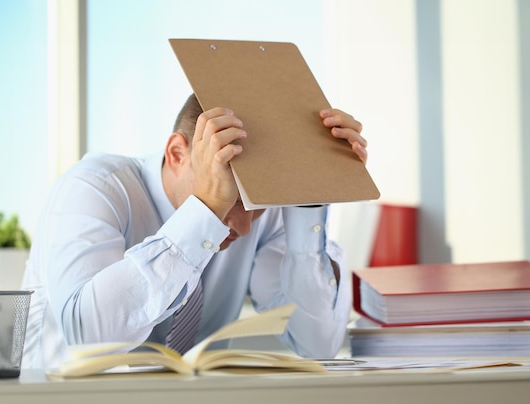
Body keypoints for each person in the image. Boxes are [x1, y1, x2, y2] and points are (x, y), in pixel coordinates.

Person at [21, 94, 368, 369]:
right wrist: (207, 209)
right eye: (231, 195)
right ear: (176, 154)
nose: (245, 227)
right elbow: (88, 338)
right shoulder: (96, 187)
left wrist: (307, 202)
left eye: (255, 203)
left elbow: (315, 344)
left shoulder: (260, 215)